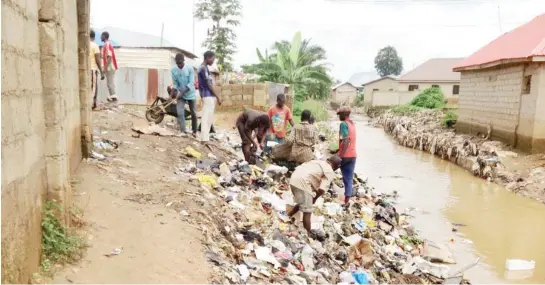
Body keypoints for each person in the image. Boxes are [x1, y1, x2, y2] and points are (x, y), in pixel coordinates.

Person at [287, 156, 342, 233]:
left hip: (294, 178)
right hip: (303, 182)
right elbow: (322, 189)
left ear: (328, 160)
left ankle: (288, 215)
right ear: (337, 167)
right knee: (308, 212)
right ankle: (307, 236)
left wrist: (312, 197)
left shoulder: (318, 161)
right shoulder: (329, 171)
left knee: (304, 201)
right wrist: (315, 198)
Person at [198, 50, 221, 143]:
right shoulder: (203, 68)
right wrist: (218, 96)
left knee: (208, 117)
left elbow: (200, 85)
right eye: (213, 59)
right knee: (207, 117)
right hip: (207, 95)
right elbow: (209, 85)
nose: (213, 61)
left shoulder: (202, 68)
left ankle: (205, 137)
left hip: (206, 95)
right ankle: (204, 139)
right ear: (208, 58)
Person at [171, 53, 197, 136]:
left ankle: (194, 131)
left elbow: (191, 83)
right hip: (181, 94)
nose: (179, 65)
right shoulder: (173, 70)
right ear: (175, 62)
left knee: (193, 113)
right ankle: (183, 131)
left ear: (184, 61)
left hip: (190, 93)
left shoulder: (190, 68)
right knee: (180, 112)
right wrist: (171, 95)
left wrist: (182, 93)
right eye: (178, 63)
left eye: (181, 63)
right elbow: (175, 84)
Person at [337, 106, 357, 204]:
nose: (338, 116)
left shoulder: (343, 124)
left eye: (340, 114)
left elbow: (345, 140)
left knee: (328, 170)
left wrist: (340, 156)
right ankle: (346, 201)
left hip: (345, 155)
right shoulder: (352, 124)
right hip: (353, 155)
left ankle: (319, 190)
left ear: (344, 115)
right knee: (349, 178)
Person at [100, 31, 118, 102]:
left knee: (110, 84)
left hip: (110, 67)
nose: (100, 37)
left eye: (101, 36)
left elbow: (109, 57)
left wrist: (104, 68)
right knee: (110, 83)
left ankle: (114, 99)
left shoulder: (107, 44)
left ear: (104, 36)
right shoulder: (107, 44)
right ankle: (112, 98)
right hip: (109, 67)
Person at [89, 30, 104, 109]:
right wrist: (101, 72)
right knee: (94, 87)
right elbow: (98, 60)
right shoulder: (95, 46)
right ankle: (92, 104)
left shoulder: (84, 44)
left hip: (85, 69)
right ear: (94, 37)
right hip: (92, 69)